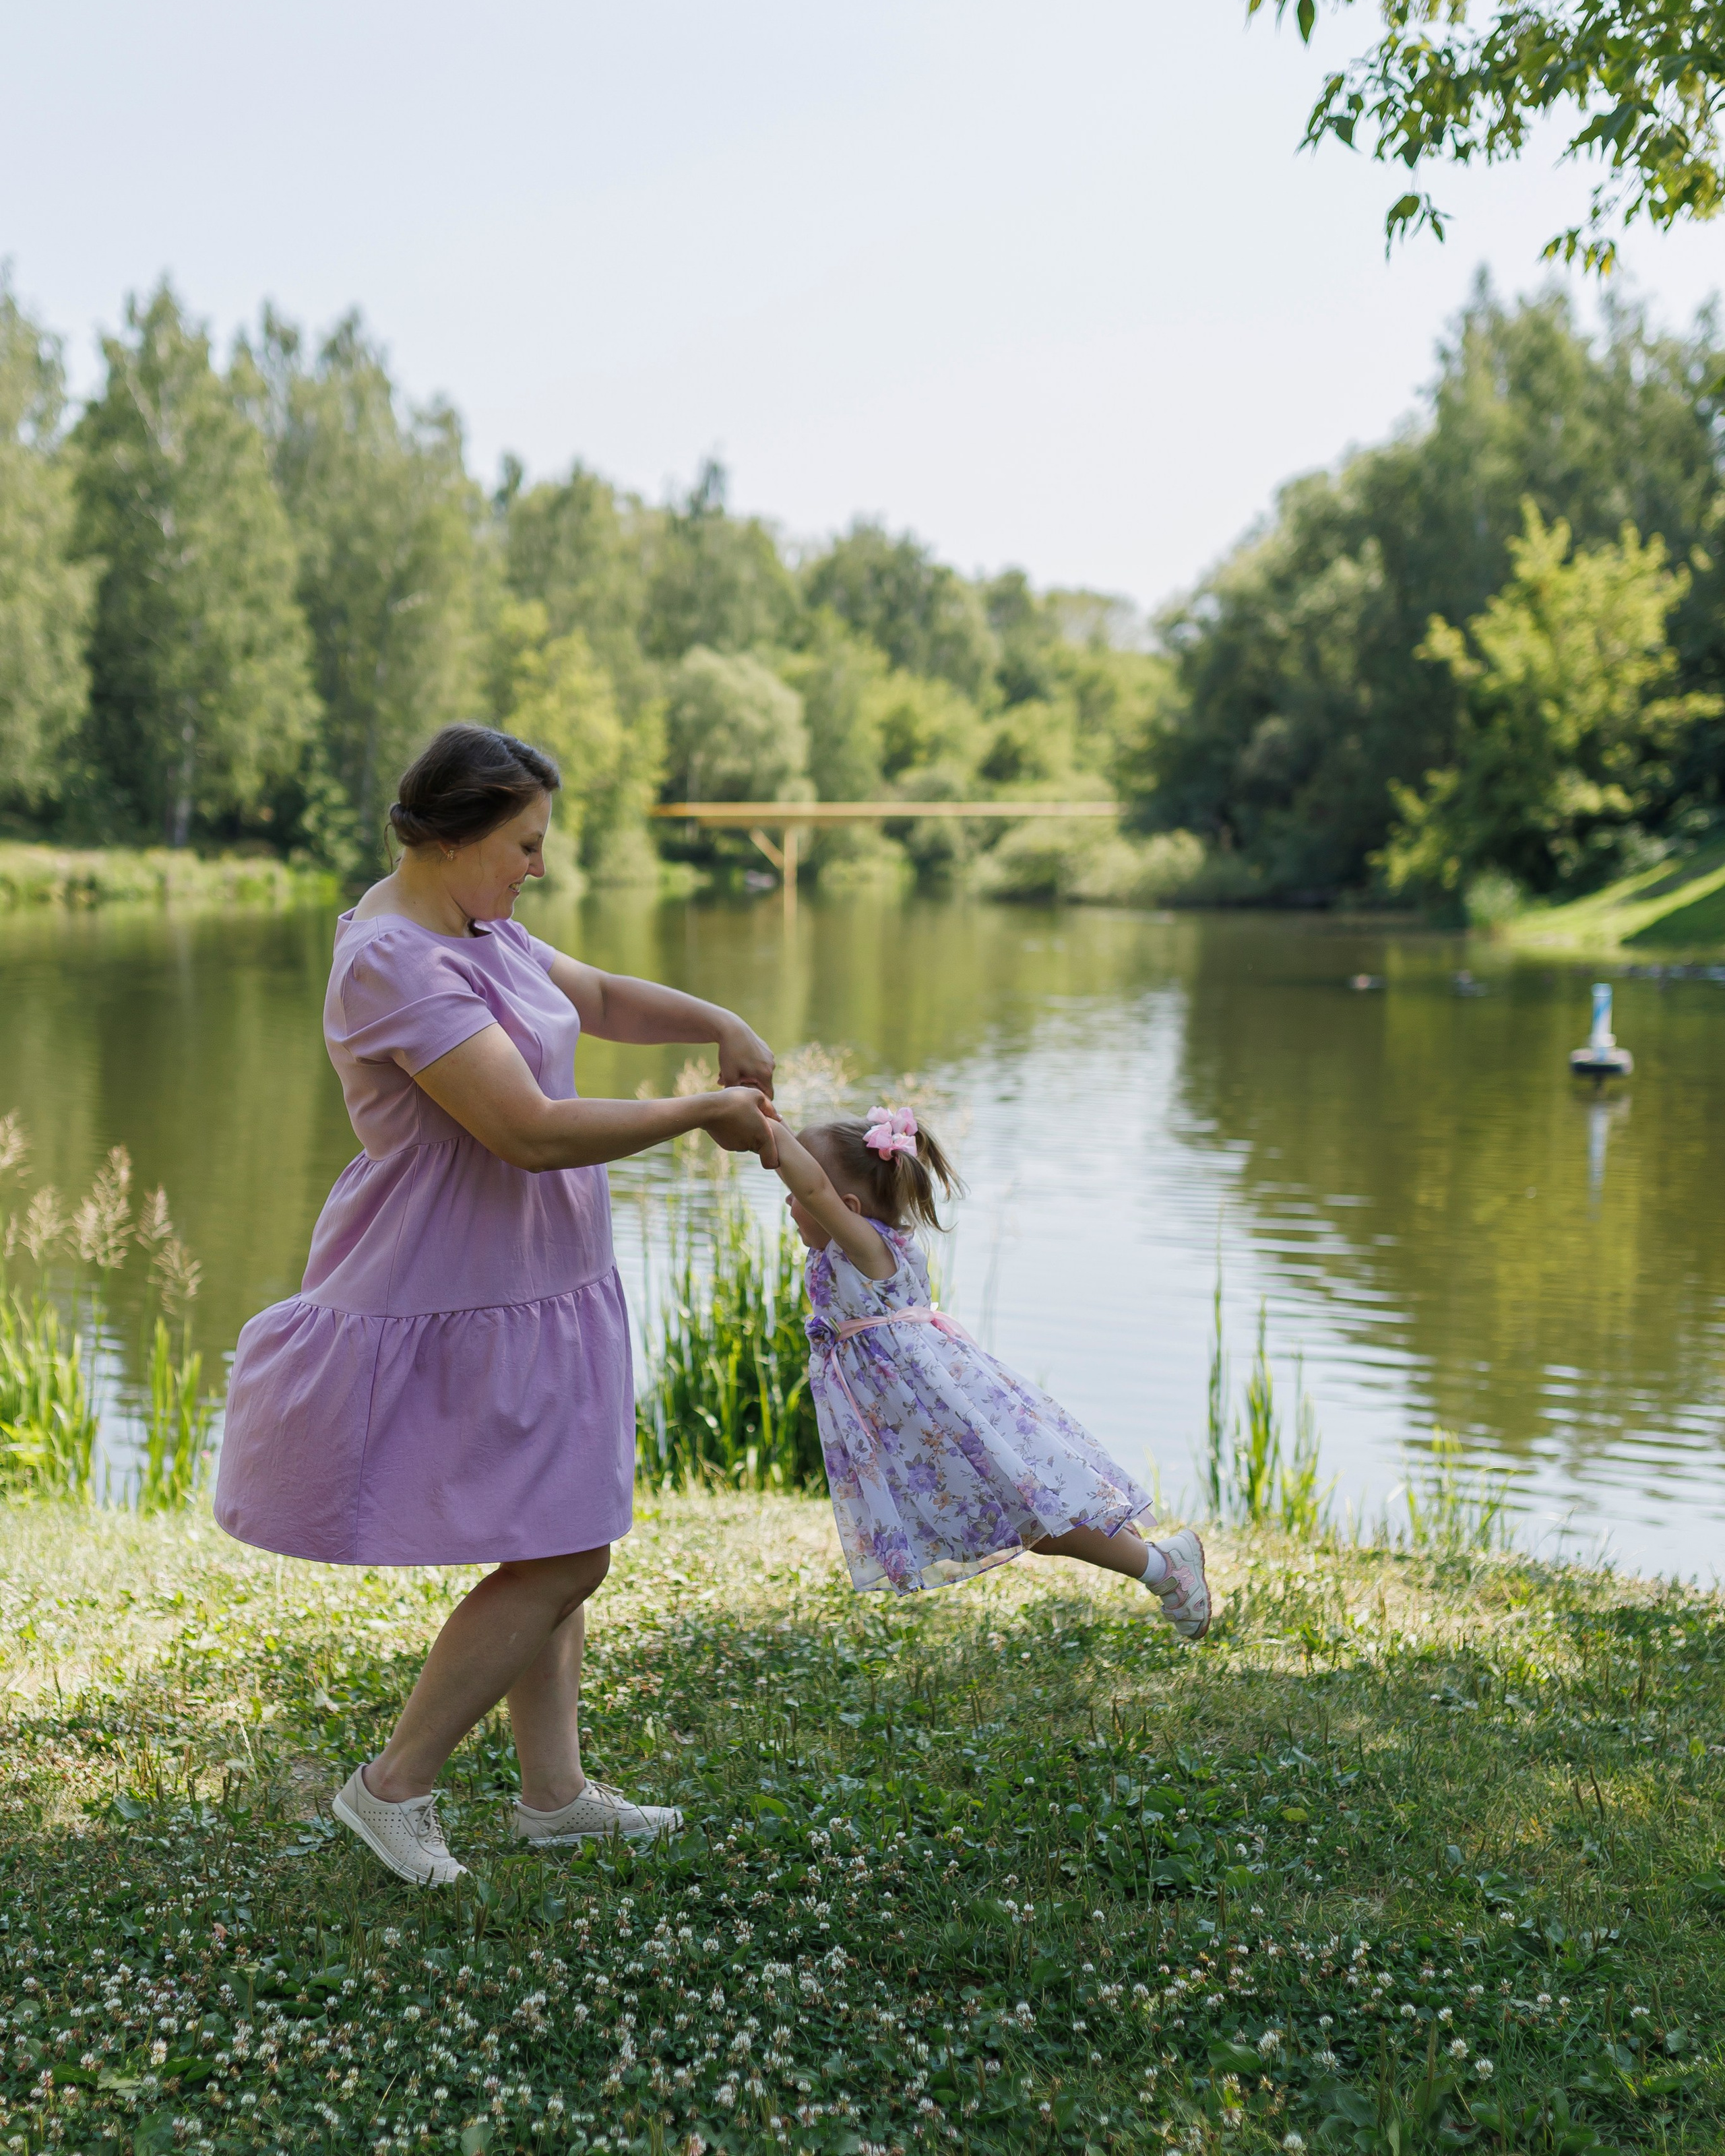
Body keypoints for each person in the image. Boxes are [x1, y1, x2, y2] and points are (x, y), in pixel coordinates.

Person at [214, 722, 780, 1886]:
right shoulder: (394, 962)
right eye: (524, 845)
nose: (536, 868)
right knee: (567, 1553)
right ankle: (393, 1786)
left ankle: (555, 1795)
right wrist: (694, 1115)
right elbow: (524, 1130)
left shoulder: (480, 927)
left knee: (552, 1529)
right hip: (453, 1285)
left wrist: (715, 1022)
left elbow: (601, 993)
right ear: (461, 834)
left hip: (542, 1285)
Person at [759, 1105, 1211, 1631]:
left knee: (1035, 1515)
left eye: (795, 1194)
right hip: (927, 1417)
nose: (791, 1203)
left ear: (849, 1207)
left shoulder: (865, 1247)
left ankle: (1163, 1567)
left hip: (941, 1412)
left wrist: (759, 1128)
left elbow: (814, 1190)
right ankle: (1160, 1561)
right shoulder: (849, 1247)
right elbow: (815, 1190)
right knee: (1031, 1515)